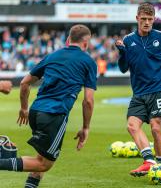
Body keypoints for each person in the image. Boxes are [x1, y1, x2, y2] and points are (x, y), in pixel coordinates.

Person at [0, 24, 97, 188]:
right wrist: (85, 127)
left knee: (40, 156)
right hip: (54, 115)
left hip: (35, 112)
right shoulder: (88, 61)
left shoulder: (52, 55)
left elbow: (24, 83)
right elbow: (88, 100)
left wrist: (24, 108)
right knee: (44, 164)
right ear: (86, 43)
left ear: (68, 40)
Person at [115, 3, 161, 176]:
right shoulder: (129, 40)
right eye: (143, 19)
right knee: (132, 126)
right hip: (139, 92)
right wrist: (122, 53)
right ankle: (149, 161)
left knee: (155, 128)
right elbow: (123, 68)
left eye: (150, 19)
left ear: (154, 19)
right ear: (137, 18)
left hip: (158, 88)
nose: (146, 22)